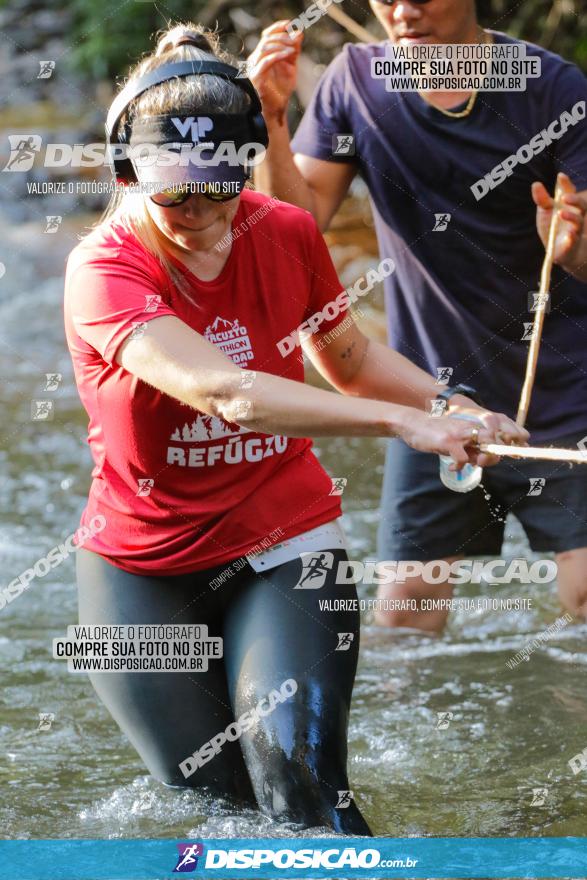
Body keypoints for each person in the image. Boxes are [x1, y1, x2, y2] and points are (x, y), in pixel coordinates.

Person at [63, 22, 525, 834]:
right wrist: (402, 423)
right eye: (173, 191)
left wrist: (449, 406)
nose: (198, 211)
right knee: (219, 805)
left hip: (283, 543)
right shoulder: (103, 268)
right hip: (139, 570)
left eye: (219, 185)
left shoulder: (284, 229)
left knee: (302, 782)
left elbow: (345, 357)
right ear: (128, 173)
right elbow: (226, 393)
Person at [249, 0, 587, 632]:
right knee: (404, 622)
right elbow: (293, 233)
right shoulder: (354, 81)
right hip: (433, 394)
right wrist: (270, 118)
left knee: (582, 598)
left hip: (567, 391)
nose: (402, 10)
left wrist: (571, 249)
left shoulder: (554, 89)